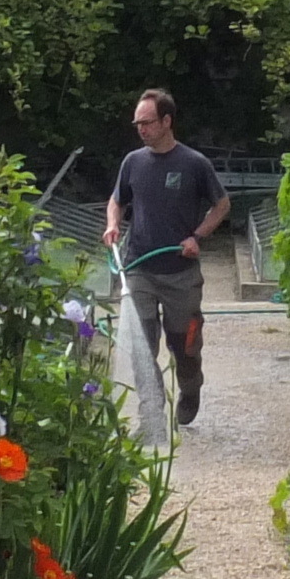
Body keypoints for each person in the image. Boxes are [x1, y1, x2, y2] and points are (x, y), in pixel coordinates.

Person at [103, 85, 230, 427]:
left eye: (147, 122)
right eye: (137, 123)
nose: (141, 128)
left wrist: (197, 237)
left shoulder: (193, 164)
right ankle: (152, 412)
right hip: (139, 267)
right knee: (142, 345)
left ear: (166, 121)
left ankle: (191, 387)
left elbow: (221, 205)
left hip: (180, 271)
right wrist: (113, 224)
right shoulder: (133, 162)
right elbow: (117, 200)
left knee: (184, 345)